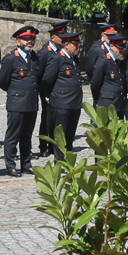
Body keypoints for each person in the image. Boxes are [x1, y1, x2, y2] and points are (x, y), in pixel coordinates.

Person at [0, 25, 40, 176]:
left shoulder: (34, 57)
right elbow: (2, 81)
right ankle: (10, 165)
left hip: (31, 103)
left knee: (27, 137)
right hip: (17, 103)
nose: (30, 42)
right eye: (26, 39)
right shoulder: (11, 59)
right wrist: (16, 93)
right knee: (13, 136)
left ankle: (26, 164)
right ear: (18, 41)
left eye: (32, 39)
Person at [41, 30, 84, 159]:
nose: (78, 48)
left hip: (74, 104)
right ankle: (59, 161)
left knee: (70, 135)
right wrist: (53, 96)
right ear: (67, 45)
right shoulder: (57, 59)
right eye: (75, 45)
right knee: (61, 135)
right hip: (61, 103)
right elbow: (47, 80)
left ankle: (67, 160)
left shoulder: (74, 59)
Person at [38, 20, 70, 155]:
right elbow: (40, 74)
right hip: (47, 90)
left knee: (55, 119)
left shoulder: (60, 52)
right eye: (60, 37)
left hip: (57, 91)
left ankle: (53, 145)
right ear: (53, 38)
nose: (62, 40)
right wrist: (44, 92)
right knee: (47, 118)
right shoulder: (45, 52)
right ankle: (43, 146)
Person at [90, 31, 127, 114]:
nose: (122, 50)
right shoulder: (103, 62)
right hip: (107, 104)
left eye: (123, 48)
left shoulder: (121, 62)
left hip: (119, 104)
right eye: (120, 48)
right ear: (112, 47)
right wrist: (97, 99)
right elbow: (95, 84)